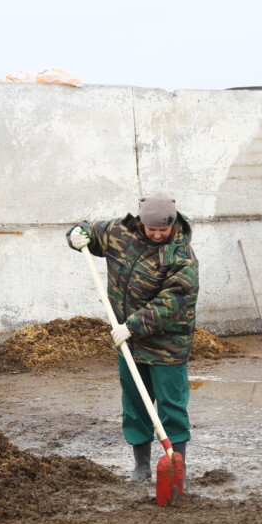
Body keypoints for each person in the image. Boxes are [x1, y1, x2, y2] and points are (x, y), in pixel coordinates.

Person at [66, 193, 199, 482]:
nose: (158, 234)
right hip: (130, 343)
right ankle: (141, 466)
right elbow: (90, 231)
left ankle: (177, 466)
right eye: (152, 229)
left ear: (173, 225)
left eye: (164, 229)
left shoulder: (181, 255)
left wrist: (133, 325)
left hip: (167, 345)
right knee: (135, 405)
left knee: (171, 406)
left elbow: (174, 301)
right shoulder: (119, 232)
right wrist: (76, 235)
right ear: (141, 223)